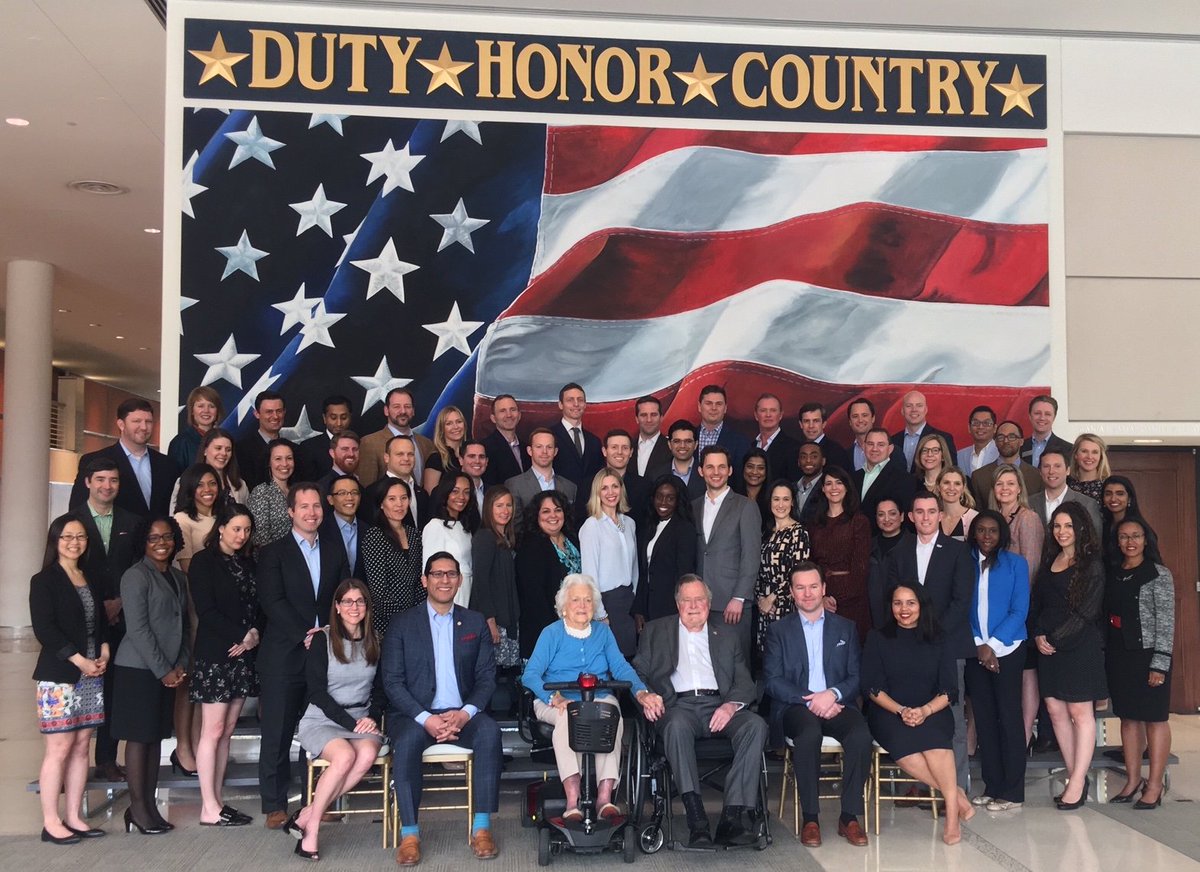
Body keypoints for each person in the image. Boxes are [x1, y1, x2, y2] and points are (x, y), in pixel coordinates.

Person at [382, 553, 503, 865]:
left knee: (490, 733)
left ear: (459, 580)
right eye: (437, 574)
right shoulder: (402, 624)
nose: (444, 580)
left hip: (461, 712)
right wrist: (426, 719)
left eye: (451, 574)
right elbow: (392, 682)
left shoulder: (474, 621)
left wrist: (466, 713)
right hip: (416, 714)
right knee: (406, 742)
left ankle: (481, 828)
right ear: (425, 581)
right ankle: (409, 834)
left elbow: (487, 677)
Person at [633, 576, 769, 849]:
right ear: (677, 603)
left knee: (755, 725)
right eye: (687, 600)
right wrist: (646, 696)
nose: (694, 606)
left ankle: (732, 817)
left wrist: (731, 706)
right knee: (676, 726)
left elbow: (744, 681)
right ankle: (697, 820)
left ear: (709, 603)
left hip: (720, 705)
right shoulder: (656, 631)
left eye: (699, 600)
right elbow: (638, 673)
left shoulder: (728, 634)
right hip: (677, 706)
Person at [255, 483, 350, 829]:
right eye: (304, 507)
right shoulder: (273, 552)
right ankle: (275, 804)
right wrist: (303, 634)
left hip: (325, 653)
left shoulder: (334, 549)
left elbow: (343, 596)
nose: (311, 513)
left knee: (321, 731)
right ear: (290, 512)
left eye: (316, 506)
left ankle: (317, 801)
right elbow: (271, 601)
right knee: (277, 732)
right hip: (284, 654)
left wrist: (326, 632)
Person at [522, 575, 652, 820]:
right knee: (567, 717)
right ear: (563, 606)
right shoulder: (551, 633)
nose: (582, 606)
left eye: (587, 601)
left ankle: (605, 798)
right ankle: (573, 801)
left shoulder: (603, 633)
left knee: (611, 716)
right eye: (575, 600)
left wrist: (641, 691)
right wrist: (553, 697)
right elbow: (530, 675)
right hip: (555, 699)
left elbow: (621, 668)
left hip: (597, 696)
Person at [765, 563, 872, 848]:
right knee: (809, 734)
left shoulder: (846, 628)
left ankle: (848, 816)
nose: (808, 593)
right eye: (800, 587)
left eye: (813, 586)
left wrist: (833, 694)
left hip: (838, 704)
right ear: (791, 592)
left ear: (824, 588)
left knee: (861, 735)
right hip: (796, 706)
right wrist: (812, 699)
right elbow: (773, 681)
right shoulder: (778, 631)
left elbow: (856, 676)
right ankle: (810, 818)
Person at [862, 582, 973, 845]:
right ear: (890, 606)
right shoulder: (877, 637)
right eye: (898, 603)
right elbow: (871, 687)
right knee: (906, 746)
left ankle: (952, 819)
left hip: (932, 709)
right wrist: (901, 711)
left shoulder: (939, 638)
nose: (904, 609)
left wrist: (924, 710)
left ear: (922, 606)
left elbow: (949, 689)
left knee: (936, 743)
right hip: (889, 711)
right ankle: (955, 796)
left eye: (910, 603)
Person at [884, 493, 975, 789]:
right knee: (913, 714)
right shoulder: (899, 552)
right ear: (910, 516)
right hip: (909, 648)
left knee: (951, 718)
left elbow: (962, 601)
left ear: (940, 515)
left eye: (931, 512)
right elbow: (893, 599)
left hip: (947, 644)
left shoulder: (958, 551)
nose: (925, 517)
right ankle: (921, 787)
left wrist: (933, 633)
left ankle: (956, 790)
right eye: (919, 512)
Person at [291, 579, 385, 861]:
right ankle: (314, 828)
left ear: (367, 607)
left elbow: (381, 689)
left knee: (367, 754)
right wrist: (351, 723)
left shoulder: (375, 640)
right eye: (347, 601)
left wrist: (371, 716)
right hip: (323, 718)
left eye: (359, 601)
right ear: (337, 606)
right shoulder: (322, 639)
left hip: (360, 717)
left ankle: (307, 813)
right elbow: (317, 692)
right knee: (343, 757)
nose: (353, 607)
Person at [31, 515, 110, 844]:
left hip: (92, 674)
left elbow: (101, 622)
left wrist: (104, 653)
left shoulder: (88, 576)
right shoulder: (44, 580)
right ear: (55, 540)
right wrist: (79, 660)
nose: (74, 542)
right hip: (60, 675)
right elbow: (45, 629)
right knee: (59, 748)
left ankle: (75, 816)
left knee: (81, 748)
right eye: (67, 537)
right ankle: (51, 822)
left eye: (80, 537)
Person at [111, 515, 190, 834]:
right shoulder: (135, 576)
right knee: (139, 739)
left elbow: (182, 622)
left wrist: (181, 663)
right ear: (143, 542)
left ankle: (150, 806)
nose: (162, 543)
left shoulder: (176, 575)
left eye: (167, 537)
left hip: (169, 669)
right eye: (154, 538)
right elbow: (139, 629)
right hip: (138, 668)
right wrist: (164, 669)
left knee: (156, 737)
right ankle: (138, 808)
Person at [1029, 502, 1107, 810]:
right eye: (1057, 526)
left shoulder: (1092, 564)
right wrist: (1038, 635)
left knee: (1079, 713)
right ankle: (1077, 775)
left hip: (1078, 647)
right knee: (1055, 710)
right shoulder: (1052, 559)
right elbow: (1041, 603)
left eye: (1068, 526)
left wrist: (1055, 639)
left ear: (1081, 529)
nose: (1062, 532)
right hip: (1048, 647)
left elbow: (1086, 612)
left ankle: (1076, 782)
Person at [188, 503, 261, 827]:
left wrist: (253, 635)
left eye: (246, 530)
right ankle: (208, 805)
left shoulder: (247, 561)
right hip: (216, 654)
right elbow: (206, 609)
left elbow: (257, 605)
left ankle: (217, 800)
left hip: (243, 652)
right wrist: (242, 634)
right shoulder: (204, 562)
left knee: (227, 730)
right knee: (213, 729)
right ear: (221, 527)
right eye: (235, 529)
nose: (241, 535)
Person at [69, 457, 138, 782]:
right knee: (81, 689)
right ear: (87, 482)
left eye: (112, 480)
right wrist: (100, 604)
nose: (106, 486)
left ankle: (107, 758)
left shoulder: (131, 521)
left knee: (114, 690)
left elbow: (137, 568)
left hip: (123, 617)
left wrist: (120, 601)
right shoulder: (71, 523)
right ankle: (71, 763)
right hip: (83, 619)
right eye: (100, 480)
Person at [1105, 516, 1175, 809]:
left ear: (1146, 539)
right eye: (1124, 537)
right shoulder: (1114, 572)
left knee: (1155, 719)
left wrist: (1160, 663)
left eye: (1136, 536)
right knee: (1128, 718)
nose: (1130, 542)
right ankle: (1132, 780)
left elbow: (1166, 622)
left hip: (1149, 655)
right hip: (1120, 654)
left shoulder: (1159, 574)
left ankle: (1155, 785)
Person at [962, 511, 1029, 811]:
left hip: (1009, 649)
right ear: (973, 533)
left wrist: (993, 645)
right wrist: (980, 646)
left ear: (1002, 534)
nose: (987, 536)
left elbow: (1020, 610)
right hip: (976, 651)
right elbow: (961, 606)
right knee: (985, 720)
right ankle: (992, 785)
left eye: (992, 531)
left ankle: (1013, 791)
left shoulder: (1016, 564)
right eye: (981, 530)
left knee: (1009, 719)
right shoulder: (964, 563)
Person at [693, 445, 762, 660]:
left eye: (721, 467)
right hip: (699, 602)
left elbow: (751, 555)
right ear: (700, 471)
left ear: (730, 471)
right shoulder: (693, 506)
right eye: (710, 467)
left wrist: (739, 597)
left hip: (731, 604)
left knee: (736, 664)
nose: (716, 472)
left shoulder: (745, 506)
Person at [70, 398, 179, 517]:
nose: (144, 427)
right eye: (137, 421)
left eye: (148, 421)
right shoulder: (93, 460)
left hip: (159, 534)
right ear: (121, 424)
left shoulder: (168, 465)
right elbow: (78, 508)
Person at [515, 490, 588, 659]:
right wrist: (557, 631)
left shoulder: (572, 538)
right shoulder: (530, 546)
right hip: (546, 631)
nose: (553, 516)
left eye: (558, 510)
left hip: (578, 624)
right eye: (546, 511)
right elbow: (534, 598)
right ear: (536, 516)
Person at [808, 466, 872, 644]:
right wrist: (821, 598)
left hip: (852, 599)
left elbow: (861, 565)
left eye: (838, 483)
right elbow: (811, 563)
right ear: (822, 489)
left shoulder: (859, 521)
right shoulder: (815, 523)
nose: (833, 488)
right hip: (819, 597)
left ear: (847, 487)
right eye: (828, 483)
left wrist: (837, 599)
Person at [579, 468, 639, 655]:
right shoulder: (592, 526)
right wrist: (600, 613)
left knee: (630, 659)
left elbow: (634, 565)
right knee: (612, 664)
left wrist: (634, 596)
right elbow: (589, 574)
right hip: (607, 603)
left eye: (615, 486)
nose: (610, 492)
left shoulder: (629, 523)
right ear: (597, 492)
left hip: (628, 601)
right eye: (604, 488)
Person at [754, 481, 812, 656]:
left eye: (786, 499)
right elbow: (757, 570)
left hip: (787, 606)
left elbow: (799, 574)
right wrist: (761, 600)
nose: (781, 505)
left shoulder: (799, 532)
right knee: (768, 660)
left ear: (792, 502)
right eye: (776, 499)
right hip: (764, 608)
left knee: (787, 655)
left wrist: (772, 599)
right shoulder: (766, 532)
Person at [361, 479, 424, 639]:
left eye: (404, 498)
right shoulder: (375, 536)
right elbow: (378, 589)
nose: (399, 504)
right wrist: (403, 619)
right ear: (381, 504)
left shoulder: (414, 534)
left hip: (415, 619)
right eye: (392, 499)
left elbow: (419, 580)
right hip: (385, 622)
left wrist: (416, 614)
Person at [634, 475, 698, 626]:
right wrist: (639, 609)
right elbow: (644, 572)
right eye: (659, 497)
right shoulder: (650, 526)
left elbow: (684, 573)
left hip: (670, 610)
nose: (663, 502)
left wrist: (680, 610)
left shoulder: (684, 529)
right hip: (648, 608)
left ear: (678, 501)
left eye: (670, 498)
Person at [470, 486, 520, 667]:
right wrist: (489, 620)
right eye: (499, 505)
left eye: (508, 505)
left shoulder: (505, 537)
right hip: (493, 620)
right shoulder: (485, 537)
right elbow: (481, 582)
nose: (505, 511)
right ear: (489, 508)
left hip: (506, 616)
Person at [505, 427, 578, 533]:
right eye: (539, 447)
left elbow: (570, 526)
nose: (544, 452)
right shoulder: (514, 485)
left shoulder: (570, 487)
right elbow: (515, 528)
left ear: (555, 451)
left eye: (549, 447)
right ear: (529, 450)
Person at [358, 388, 436, 488]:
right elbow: (367, 488)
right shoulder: (369, 443)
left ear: (413, 411)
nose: (403, 411)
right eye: (396, 407)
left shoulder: (427, 444)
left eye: (407, 406)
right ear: (386, 410)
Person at [423, 472, 480, 607]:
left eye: (466, 492)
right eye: (455, 491)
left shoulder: (464, 526)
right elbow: (430, 572)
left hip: (468, 592)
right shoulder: (434, 526)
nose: (461, 497)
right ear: (445, 493)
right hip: (449, 595)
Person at [550, 383, 605, 519]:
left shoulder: (594, 441)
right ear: (560, 404)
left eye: (580, 400)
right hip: (559, 509)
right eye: (570, 400)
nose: (576, 404)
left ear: (585, 404)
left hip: (590, 511)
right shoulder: (549, 437)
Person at [854, 427, 916, 532]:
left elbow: (904, 520)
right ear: (864, 446)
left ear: (890, 449)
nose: (874, 449)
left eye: (881, 445)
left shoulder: (904, 480)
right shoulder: (853, 477)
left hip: (886, 544)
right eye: (870, 444)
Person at [1029, 447, 1102, 535]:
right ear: (1040, 472)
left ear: (1068, 470)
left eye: (1057, 466)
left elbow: (1095, 541)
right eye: (1046, 466)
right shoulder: (1029, 502)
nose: (1051, 471)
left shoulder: (1087, 504)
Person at [365, 435, 431, 528]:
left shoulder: (422, 494)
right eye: (400, 454)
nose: (406, 459)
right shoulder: (373, 492)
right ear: (386, 458)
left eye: (410, 454)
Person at [970, 421, 1043, 502]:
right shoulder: (979, 477)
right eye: (1001, 437)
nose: (1006, 441)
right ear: (995, 442)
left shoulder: (1037, 476)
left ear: (1021, 441)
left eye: (1012, 437)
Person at [248, 438, 298, 547]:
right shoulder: (261, 492)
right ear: (269, 463)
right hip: (273, 560)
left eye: (289, 458)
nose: (284, 464)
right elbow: (259, 539)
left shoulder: (297, 492)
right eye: (278, 459)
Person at [889, 390, 957, 470]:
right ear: (902, 411)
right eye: (909, 406)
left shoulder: (943, 438)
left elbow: (952, 471)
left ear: (926, 410)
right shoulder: (892, 441)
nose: (914, 409)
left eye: (919, 405)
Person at [696, 384, 752, 478]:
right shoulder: (689, 438)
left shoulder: (740, 442)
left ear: (725, 408)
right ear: (699, 406)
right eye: (708, 403)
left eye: (719, 404)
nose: (714, 408)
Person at [1101, 475, 1157, 568]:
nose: (1113, 498)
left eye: (1120, 493)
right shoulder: (1102, 526)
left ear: (1129, 498)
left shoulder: (1140, 527)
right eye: (1108, 494)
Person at [173, 463, 220, 574]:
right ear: (190, 488)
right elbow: (187, 568)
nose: (207, 489)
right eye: (200, 485)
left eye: (212, 483)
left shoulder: (224, 515)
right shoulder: (182, 519)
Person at [235, 390, 286, 491]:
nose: (275, 416)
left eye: (279, 411)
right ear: (256, 414)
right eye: (269, 412)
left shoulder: (293, 450)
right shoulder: (241, 449)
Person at [600, 428, 651, 529]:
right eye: (614, 447)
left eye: (625, 448)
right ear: (604, 451)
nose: (619, 452)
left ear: (631, 452)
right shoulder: (589, 485)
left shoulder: (645, 486)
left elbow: (648, 524)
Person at [867, 499, 905, 631]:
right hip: (873, 617)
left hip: (905, 617)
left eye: (892, 513)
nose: (887, 519)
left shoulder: (913, 545)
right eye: (881, 514)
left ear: (902, 516)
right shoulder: (867, 546)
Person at [296, 394, 353, 481]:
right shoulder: (308, 447)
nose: (339, 423)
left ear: (350, 417)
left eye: (343, 417)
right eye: (333, 418)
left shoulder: (359, 445)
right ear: (324, 418)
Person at [168, 386, 223, 473]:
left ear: (217, 411)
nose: (206, 410)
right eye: (200, 406)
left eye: (211, 406)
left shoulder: (224, 440)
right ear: (192, 410)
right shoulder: (180, 442)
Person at [321, 473, 365, 578]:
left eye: (354, 493)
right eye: (342, 493)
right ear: (330, 500)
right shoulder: (320, 530)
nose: (349, 497)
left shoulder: (369, 531)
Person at [482, 394, 530, 485]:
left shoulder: (527, 448)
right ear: (493, 418)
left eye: (513, 410)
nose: (509, 415)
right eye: (502, 411)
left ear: (519, 415)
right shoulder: (485, 448)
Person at [196, 427, 249, 506]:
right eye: (218, 448)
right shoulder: (184, 482)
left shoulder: (240, 485)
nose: (224, 453)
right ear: (205, 450)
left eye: (228, 450)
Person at [753, 393, 799, 482]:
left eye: (773, 410)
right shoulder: (749, 446)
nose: (768, 415)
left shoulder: (793, 448)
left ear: (781, 415)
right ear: (756, 415)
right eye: (763, 410)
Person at [423, 406, 467, 494]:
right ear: (442, 429)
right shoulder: (436, 459)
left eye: (459, 422)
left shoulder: (469, 455)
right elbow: (430, 494)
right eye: (449, 423)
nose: (455, 427)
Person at [1021, 395, 1073, 469]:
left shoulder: (1069, 449)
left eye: (1047, 414)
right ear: (1030, 416)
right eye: (1037, 413)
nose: (1042, 418)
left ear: (1054, 417)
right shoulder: (1019, 447)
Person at [798, 401, 851, 473]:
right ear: (801, 424)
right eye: (806, 421)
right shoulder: (796, 450)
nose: (811, 426)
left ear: (824, 424)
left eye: (816, 421)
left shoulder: (836, 452)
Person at [663, 419, 705, 500]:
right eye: (677, 441)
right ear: (669, 444)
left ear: (696, 445)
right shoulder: (655, 475)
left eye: (688, 441)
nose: (682, 446)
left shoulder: (706, 474)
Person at [634, 395, 672, 478]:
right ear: (637, 419)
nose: (649, 420)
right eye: (644, 415)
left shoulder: (671, 448)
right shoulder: (628, 447)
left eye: (654, 415)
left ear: (661, 418)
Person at [937, 467, 978, 541]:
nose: (951, 488)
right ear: (938, 487)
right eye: (946, 483)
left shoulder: (974, 518)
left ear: (963, 488)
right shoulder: (933, 518)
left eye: (957, 484)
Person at [1068, 433, 1111, 502]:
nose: (1089, 457)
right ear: (1076, 454)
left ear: (1101, 456)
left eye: (1095, 452)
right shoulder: (1065, 484)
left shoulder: (1108, 486)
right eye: (1084, 451)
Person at [956, 405, 998, 473]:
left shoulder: (1001, 453)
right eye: (976, 423)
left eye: (986, 423)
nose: (981, 427)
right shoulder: (959, 456)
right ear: (969, 428)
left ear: (995, 428)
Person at [736, 447, 772, 523]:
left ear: (767, 471)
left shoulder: (773, 499)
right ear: (743, 468)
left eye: (760, 468)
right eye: (750, 467)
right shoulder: (733, 496)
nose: (754, 472)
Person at [794, 441, 826, 521]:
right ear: (798, 462)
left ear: (823, 461)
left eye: (814, 456)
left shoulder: (828, 488)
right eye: (803, 457)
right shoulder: (791, 488)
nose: (808, 460)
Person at [845, 397, 876, 471]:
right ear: (850, 421)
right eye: (855, 416)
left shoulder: (890, 450)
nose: (860, 420)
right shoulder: (845, 455)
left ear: (873, 418)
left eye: (864, 415)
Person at [461, 441, 490, 514]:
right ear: (461, 460)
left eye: (481, 457)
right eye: (472, 456)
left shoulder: (492, 491)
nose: (477, 461)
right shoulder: (448, 490)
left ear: (486, 462)